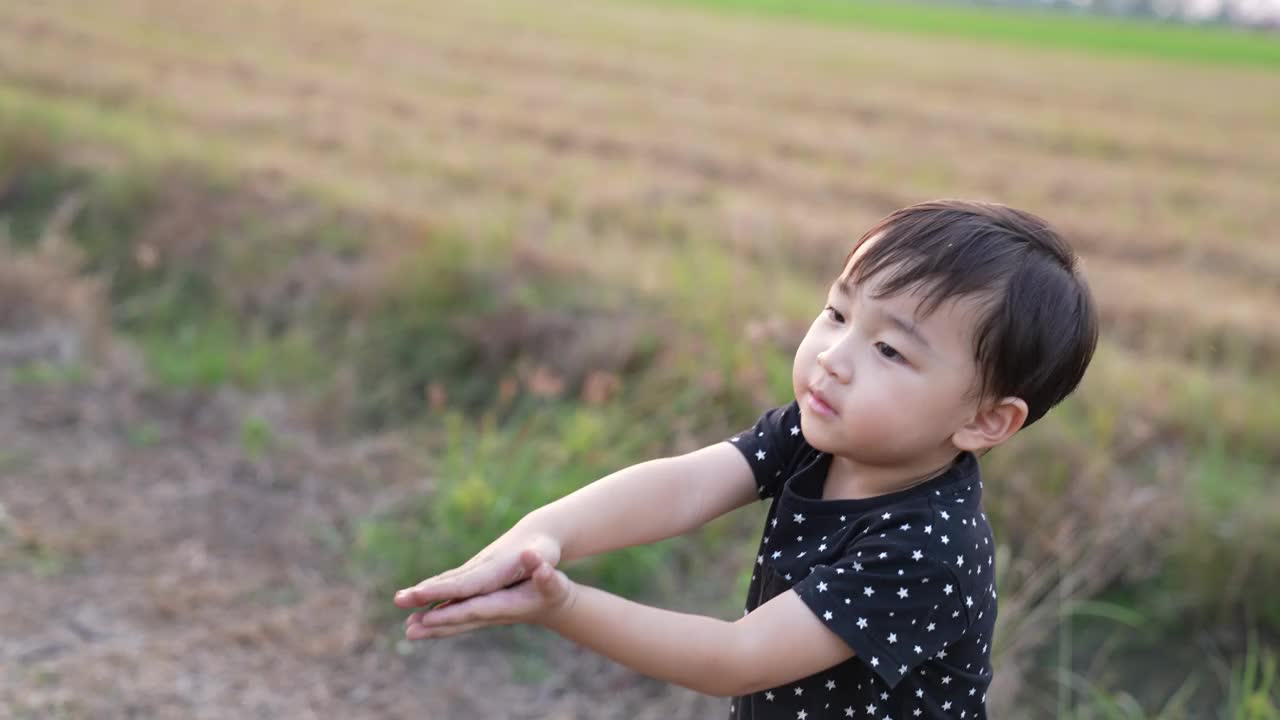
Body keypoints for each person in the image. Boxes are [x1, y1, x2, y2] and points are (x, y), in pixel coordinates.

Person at [394, 199, 1099, 719]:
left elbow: (739, 660)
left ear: (985, 420)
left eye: (889, 350)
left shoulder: (928, 549)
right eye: (837, 314)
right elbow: (684, 487)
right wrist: (543, 535)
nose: (834, 358)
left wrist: (562, 605)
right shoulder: (818, 434)